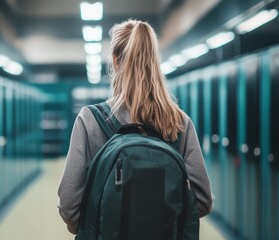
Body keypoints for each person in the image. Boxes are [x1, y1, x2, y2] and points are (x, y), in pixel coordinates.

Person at [58, 19, 214, 235]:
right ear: (154, 60)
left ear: (114, 60)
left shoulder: (89, 120)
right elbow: (203, 201)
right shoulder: (179, 122)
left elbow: (69, 206)